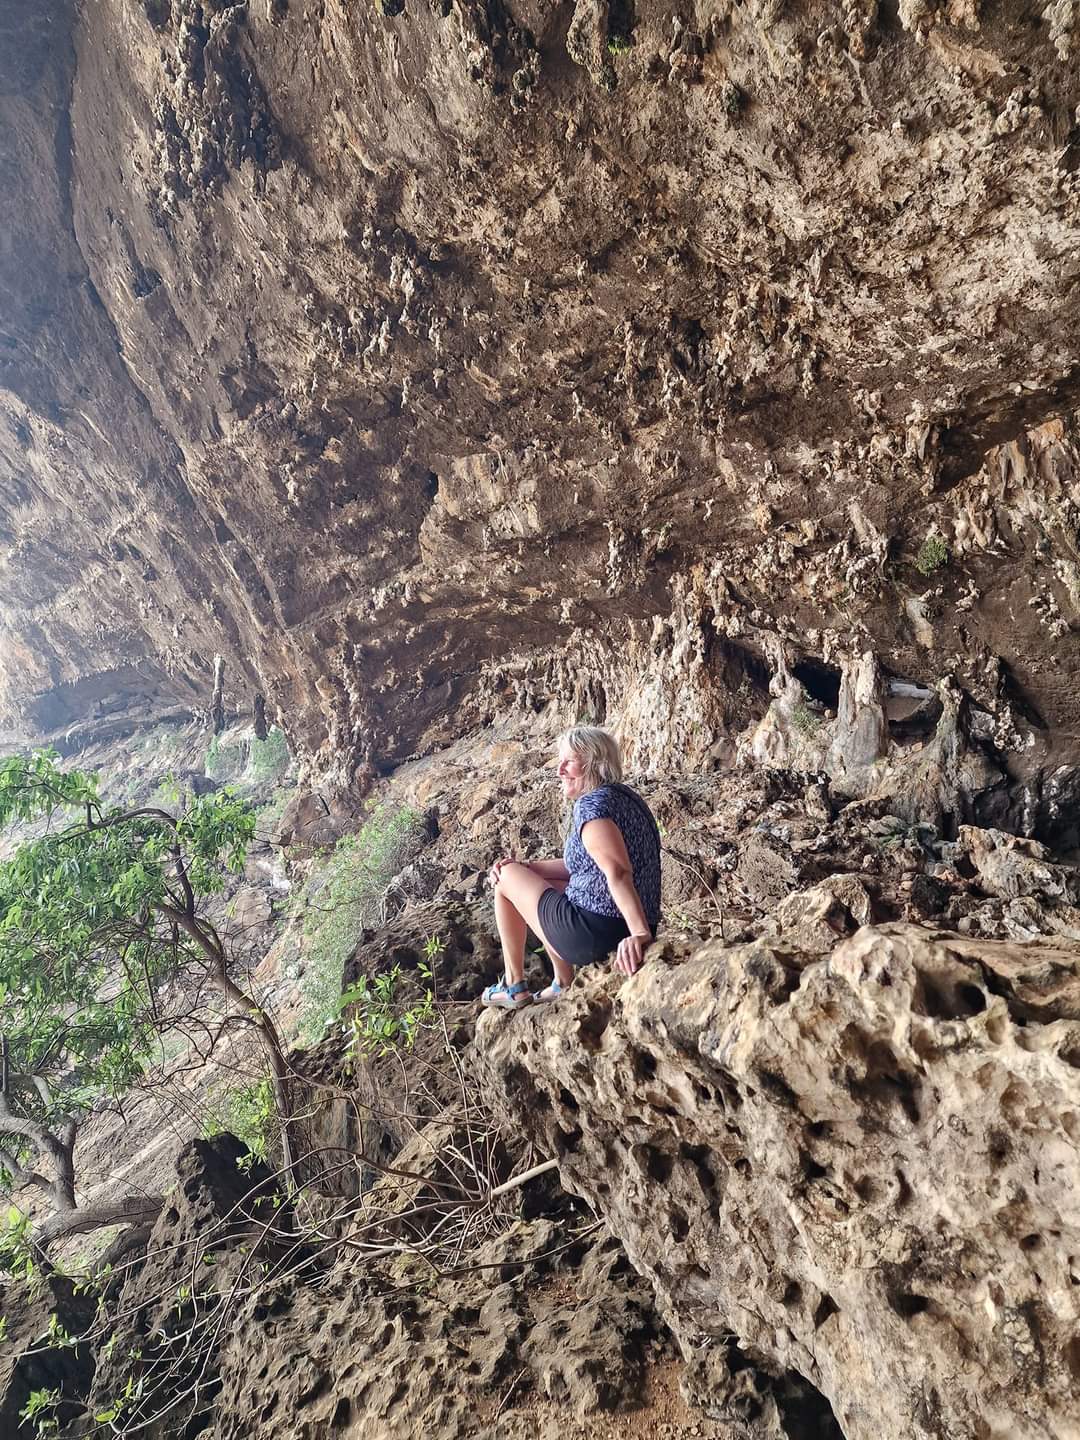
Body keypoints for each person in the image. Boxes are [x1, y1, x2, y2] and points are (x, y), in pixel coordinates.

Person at [482, 725, 661, 1009]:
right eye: (560, 761)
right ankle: (562, 982)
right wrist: (526, 868)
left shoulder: (591, 808)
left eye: (569, 761)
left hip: (598, 932)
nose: (560, 770)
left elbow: (618, 872)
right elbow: (584, 868)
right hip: (620, 922)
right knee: (530, 878)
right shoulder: (626, 799)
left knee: (503, 876)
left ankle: (513, 985)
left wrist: (639, 935)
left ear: (594, 764)